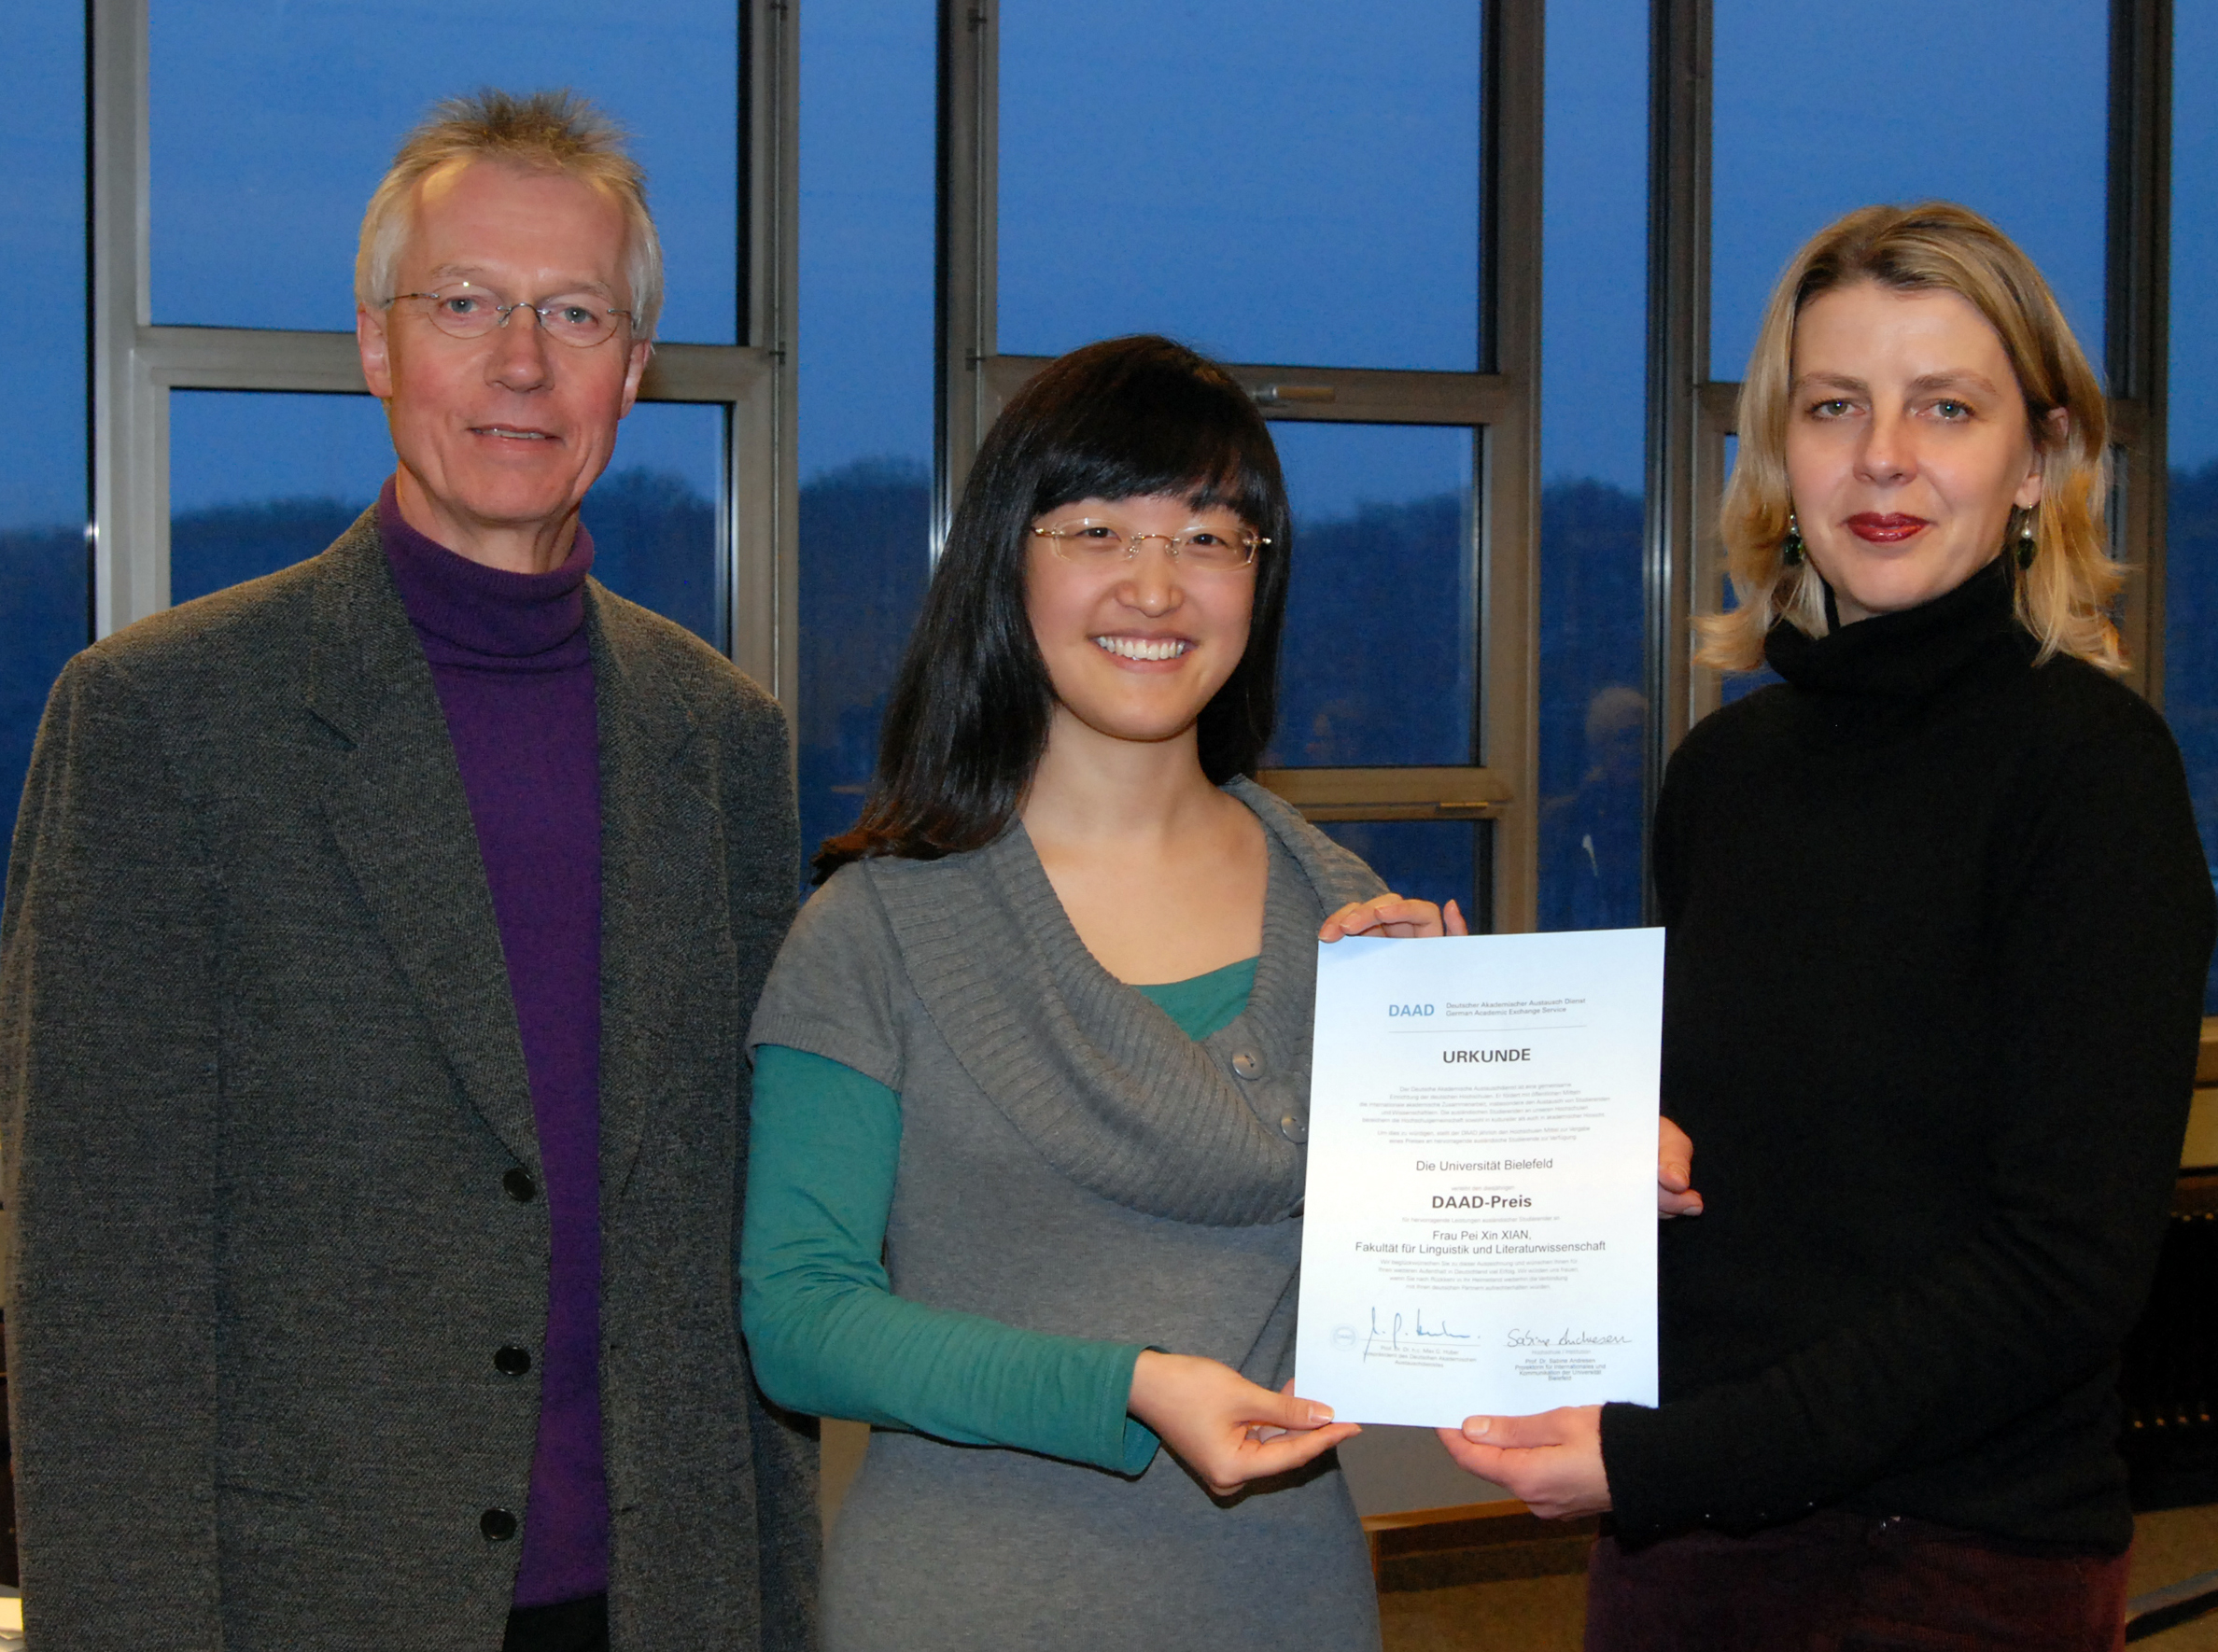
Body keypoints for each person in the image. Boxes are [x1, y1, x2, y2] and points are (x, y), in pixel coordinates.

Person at [0, 91, 814, 1652]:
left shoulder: (724, 740)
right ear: (377, 344)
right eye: (465, 304)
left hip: (663, 1602)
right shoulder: (162, 720)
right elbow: (99, 1292)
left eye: (573, 313)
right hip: (310, 1608)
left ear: (634, 367)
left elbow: (744, 1260)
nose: (522, 362)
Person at [1440, 202, 2216, 1649]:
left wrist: (1673, 1460)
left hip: (1949, 1562)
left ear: (2038, 460)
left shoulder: (2092, 774)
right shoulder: (1725, 774)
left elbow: (2061, 1272)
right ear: (1778, 456)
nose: (1883, 456)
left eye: (1948, 407)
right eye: (1835, 404)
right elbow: (1743, 1159)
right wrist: (1459, 1053)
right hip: (1685, 1542)